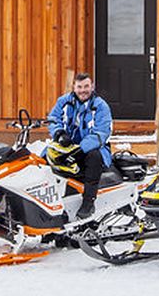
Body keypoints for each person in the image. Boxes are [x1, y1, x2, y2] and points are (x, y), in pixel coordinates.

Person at [46, 72, 114, 219]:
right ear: (74, 87)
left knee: (93, 158)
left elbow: (101, 132)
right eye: (80, 87)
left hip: (93, 147)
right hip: (67, 145)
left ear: (92, 86)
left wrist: (81, 149)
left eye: (86, 86)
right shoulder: (64, 101)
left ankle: (88, 202)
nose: (83, 90)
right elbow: (53, 119)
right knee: (45, 157)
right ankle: (47, 205)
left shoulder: (100, 106)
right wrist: (59, 134)